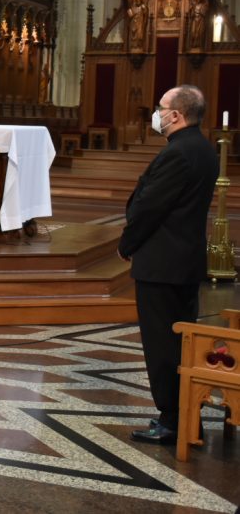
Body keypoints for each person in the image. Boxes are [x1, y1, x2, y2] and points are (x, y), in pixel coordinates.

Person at [119, 85, 218, 444]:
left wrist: (127, 244)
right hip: (185, 259)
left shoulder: (178, 153)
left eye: (161, 108)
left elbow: (149, 206)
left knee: (162, 346)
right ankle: (187, 415)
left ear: (176, 115)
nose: (157, 113)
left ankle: (172, 420)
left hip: (162, 263)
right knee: (181, 345)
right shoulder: (203, 149)